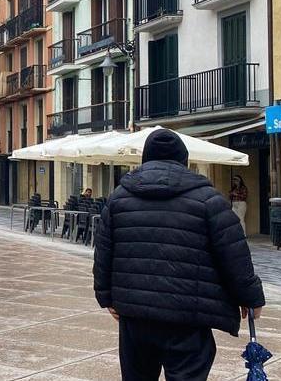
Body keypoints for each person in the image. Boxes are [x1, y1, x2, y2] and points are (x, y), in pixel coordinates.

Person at [93, 129, 265, 381]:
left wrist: (105, 296)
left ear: (146, 160)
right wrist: (251, 298)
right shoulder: (208, 200)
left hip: (135, 318)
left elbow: (103, 250)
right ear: (184, 161)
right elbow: (234, 255)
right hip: (188, 319)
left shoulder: (119, 198)